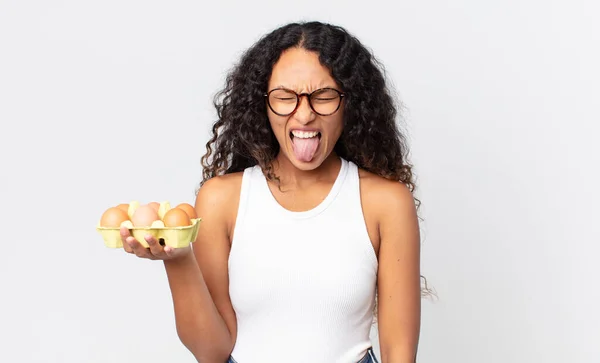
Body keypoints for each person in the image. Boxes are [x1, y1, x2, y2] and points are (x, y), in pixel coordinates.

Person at [120, 21, 427, 363]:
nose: (305, 114)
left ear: (349, 105)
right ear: (263, 104)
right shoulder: (222, 198)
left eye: (324, 97)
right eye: (285, 98)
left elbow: (399, 351)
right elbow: (212, 352)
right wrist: (177, 259)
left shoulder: (386, 201)